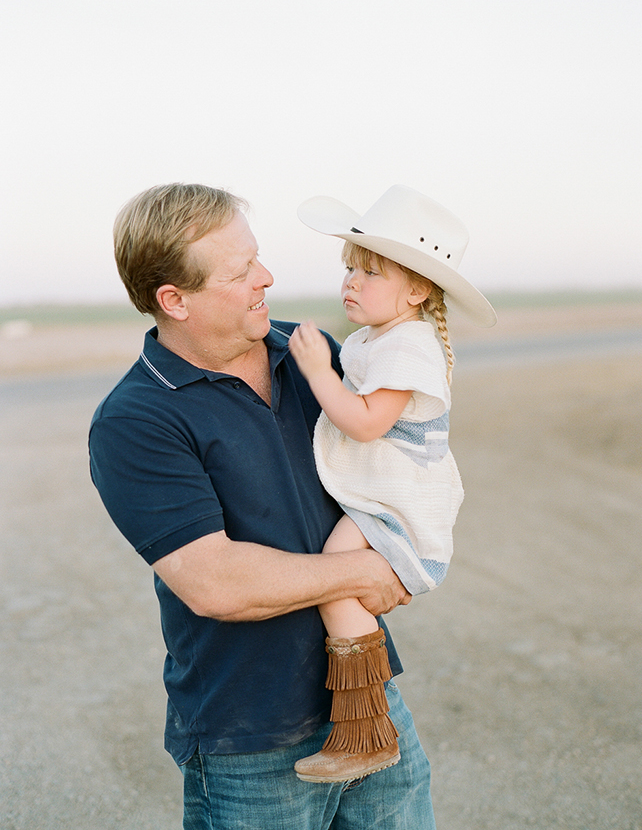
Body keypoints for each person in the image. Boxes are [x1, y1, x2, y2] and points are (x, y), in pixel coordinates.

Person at [88, 182, 438, 830]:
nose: (267, 278)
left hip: (369, 699)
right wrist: (366, 573)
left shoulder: (313, 357)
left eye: (258, 258)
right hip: (248, 738)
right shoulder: (135, 420)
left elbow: (397, 459)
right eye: (242, 270)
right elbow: (217, 582)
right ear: (175, 300)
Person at [287, 184, 497, 783]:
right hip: (387, 489)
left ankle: (363, 729)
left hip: (403, 498)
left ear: (417, 290)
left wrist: (315, 371)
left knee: (334, 579)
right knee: (338, 581)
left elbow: (365, 422)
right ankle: (364, 729)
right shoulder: (383, 336)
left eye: (371, 272)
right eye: (350, 268)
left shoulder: (408, 345)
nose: (352, 282)